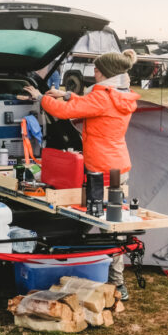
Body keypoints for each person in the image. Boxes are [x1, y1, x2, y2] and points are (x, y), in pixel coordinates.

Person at [23, 48, 140, 301]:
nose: (93, 72)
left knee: (103, 222)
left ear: (106, 73)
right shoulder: (121, 95)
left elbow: (66, 113)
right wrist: (66, 94)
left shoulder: (103, 98)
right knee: (113, 222)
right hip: (118, 164)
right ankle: (111, 278)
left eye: (97, 69)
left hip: (100, 167)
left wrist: (41, 97)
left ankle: (113, 281)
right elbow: (89, 105)